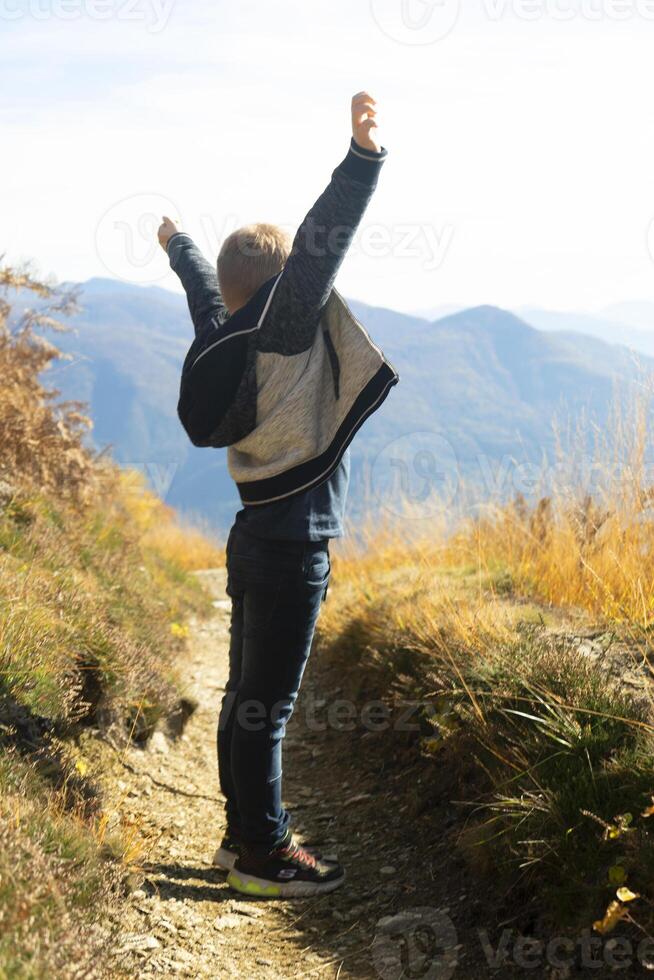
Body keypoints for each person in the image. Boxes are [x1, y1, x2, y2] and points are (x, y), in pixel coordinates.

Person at [158, 91, 397, 898]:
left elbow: (201, 286)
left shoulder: (222, 334)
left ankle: (238, 839)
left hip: (252, 530)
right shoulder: (288, 325)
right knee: (270, 707)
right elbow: (322, 244)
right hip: (296, 544)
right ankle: (264, 852)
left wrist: (178, 242)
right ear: (280, 285)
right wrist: (362, 158)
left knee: (245, 699)